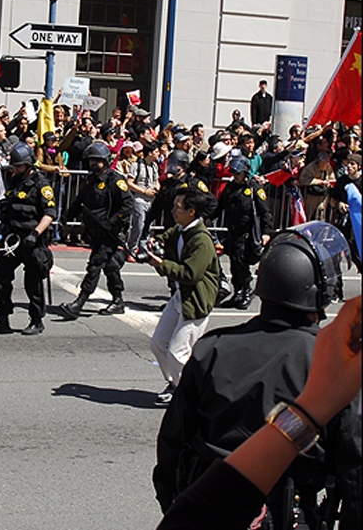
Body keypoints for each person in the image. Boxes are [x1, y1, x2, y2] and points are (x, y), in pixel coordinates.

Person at [154, 222, 360, 529]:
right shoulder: (333, 359)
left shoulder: (213, 347)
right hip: (287, 512)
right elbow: (353, 461)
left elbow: (174, 440)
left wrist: (177, 504)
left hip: (209, 505)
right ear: (320, 287)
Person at [146, 187, 219, 406]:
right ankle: (175, 383)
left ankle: (187, 395)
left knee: (178, 353)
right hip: (180, 296)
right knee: (158, 343)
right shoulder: (182, 229)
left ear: (192, 212)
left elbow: (190, 274)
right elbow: (169, 235)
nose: (173, 211)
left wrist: (160, 265)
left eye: (178, 207)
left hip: (196, 301)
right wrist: (155, 240)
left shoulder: (201, 240)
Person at [0, 142, 56, 336]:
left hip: (31, 239)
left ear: (29, 165)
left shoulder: (42, 185)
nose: (15, 169)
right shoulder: (13, 181)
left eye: (18, 166)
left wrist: (35, 234)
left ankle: (36, 320)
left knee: (32, 282)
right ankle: (2, 317)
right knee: (1, 276)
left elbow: (49, 213)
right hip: (11, 238)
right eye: (14, 166)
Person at [60, 142, 134, 318]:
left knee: (94, 266)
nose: (93, 163)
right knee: (110, 267)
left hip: (110, 233)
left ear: (105, 161)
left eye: (97, 160)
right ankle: (118, 300)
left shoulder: (115, 181)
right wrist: (67, 217)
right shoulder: (91, 180)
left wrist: (112, 222)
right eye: (91, 160)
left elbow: (128, 205)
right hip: (94, 232)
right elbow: (80, 202)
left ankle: (79, 303)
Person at [214, 155, 272, 309]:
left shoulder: (254, 189)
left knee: (241, 263)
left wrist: (266, 232)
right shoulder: (230, 188)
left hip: (247, 232)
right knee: (233, 263)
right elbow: (220, 207)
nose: (235, 176)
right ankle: (237, 292)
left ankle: (247, 291)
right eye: (233, 173)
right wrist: (207, 217)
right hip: (232, 231)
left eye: (238, 173)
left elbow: (265, 212)